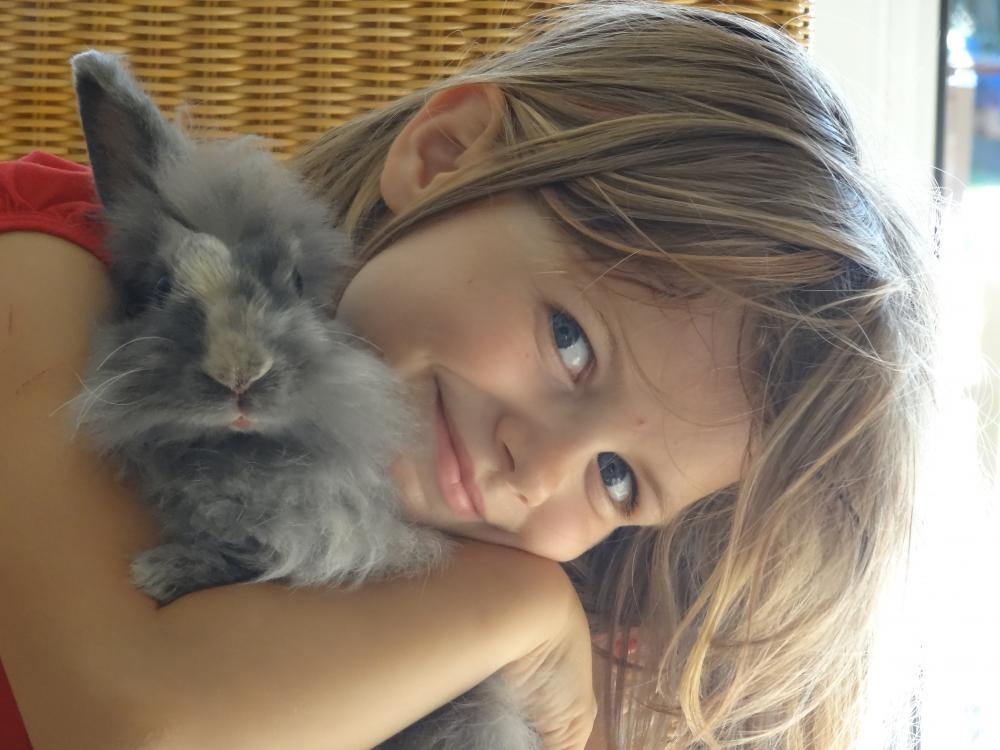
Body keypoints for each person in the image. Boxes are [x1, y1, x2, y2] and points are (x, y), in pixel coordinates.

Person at [0, 2, 941, 748]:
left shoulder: (497, 647)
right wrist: (519, 605)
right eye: (572, 342)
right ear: (443, 159)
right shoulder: (63, 259)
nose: (539, 470)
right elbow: (132, 724)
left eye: (618, 480)